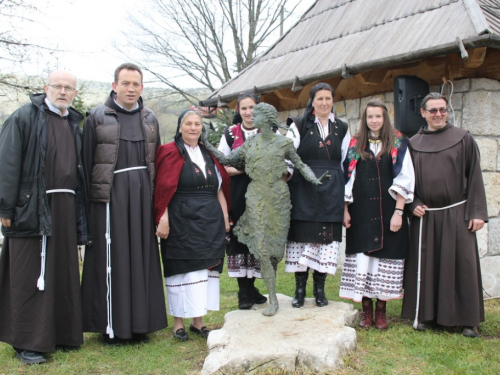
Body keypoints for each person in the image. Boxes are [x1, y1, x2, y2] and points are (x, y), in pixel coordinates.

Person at [203, 102, 329, 316]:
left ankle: (272, 290)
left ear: (267, 119)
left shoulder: (284, 143)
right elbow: (226, 159)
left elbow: (300, 164)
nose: (252, 115)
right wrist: (206, 142)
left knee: (275, 252)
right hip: (255, 199)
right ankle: (273, 301)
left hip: (278, 199)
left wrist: (314, 179)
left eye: (257, 113)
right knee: (261, 248)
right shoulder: (250, 144)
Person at [0, 71, 91, 364]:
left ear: (74, 93)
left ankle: (61, 333)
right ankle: (28, 341)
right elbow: (7, 162)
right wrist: (5, 208)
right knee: (30, 273)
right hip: (32, 206)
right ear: (45, 88)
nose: (63, 92)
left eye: (69, 88)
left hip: (65, 206)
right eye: (58, 86)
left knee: (61, 271)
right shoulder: (24, 117)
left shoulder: (72, 123)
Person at [81, 63, 167, 344]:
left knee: (141, 254)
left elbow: (157, 164)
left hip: (143, 195)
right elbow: (86, 161)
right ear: (114, 85)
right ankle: (111, 325)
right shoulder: (96, 116)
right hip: (110, 196)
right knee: (112, 256)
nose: (131, 88)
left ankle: (141, 324)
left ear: (142, 87)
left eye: (136, 84)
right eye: (125, 83)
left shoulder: (151, 118)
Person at [401, 93, 488, 338]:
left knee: (463, 265)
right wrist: (412, 204)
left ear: (447, 111)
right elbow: (405, 181)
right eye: (433, 110)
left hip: (458, 213)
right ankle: (426, 316)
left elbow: (475, 178)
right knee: (427, 267)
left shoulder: (463, 139)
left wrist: (477, 212)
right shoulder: (413, 143)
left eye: (442, 109)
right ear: (423, 113)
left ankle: (469, 320)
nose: (438, 114)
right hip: (426, 215)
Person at [154, 110, 230, 341]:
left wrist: (226, 218)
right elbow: (161, 189)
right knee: (180, 269)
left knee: (204, 269)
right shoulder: (168, 152)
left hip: (209, 218)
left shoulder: (209, 153)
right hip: (180, 218)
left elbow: (219, 188)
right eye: (188, 124)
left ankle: (198, 322)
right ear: (180, 127)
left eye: (197, 124)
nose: (193, 128)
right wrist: (163, 217)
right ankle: (178, 323)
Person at [340, 99, 414, 330]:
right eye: (370, 116)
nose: (374, 120)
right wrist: (344, 210)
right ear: (365, 119)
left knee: (385, 260)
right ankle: (366, 311)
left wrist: (399, 212)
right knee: (363, 261)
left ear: (385, 118)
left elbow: (406, 177)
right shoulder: (354, 145)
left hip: (388, 212)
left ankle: (381, 311)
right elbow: (346, 179)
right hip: (360, 212)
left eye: (378, 116)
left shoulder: (399, 143)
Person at [285, 82, 350, 308]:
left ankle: (319, 290)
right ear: (312, 101)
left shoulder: (342, 127)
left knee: (325, 240)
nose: (324, 102)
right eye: (319, 98)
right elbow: (288, 155)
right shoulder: (299, 124)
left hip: (332, 190)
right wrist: (285, 176)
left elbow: (346, 162)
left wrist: (345, 199)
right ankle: (300, 289)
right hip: (302, 188)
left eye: (328, 98)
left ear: (333, 101)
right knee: (302, 238)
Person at [217, 92, 267, 310]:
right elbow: (220, 165)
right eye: (244, 108)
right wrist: (246, 168)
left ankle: (252, 287)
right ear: (238, 110)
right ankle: (243, 291)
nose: (249, 112)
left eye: (252, 107)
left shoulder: (269, 132)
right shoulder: (230, 134)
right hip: (237, 196)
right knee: (239, 242)